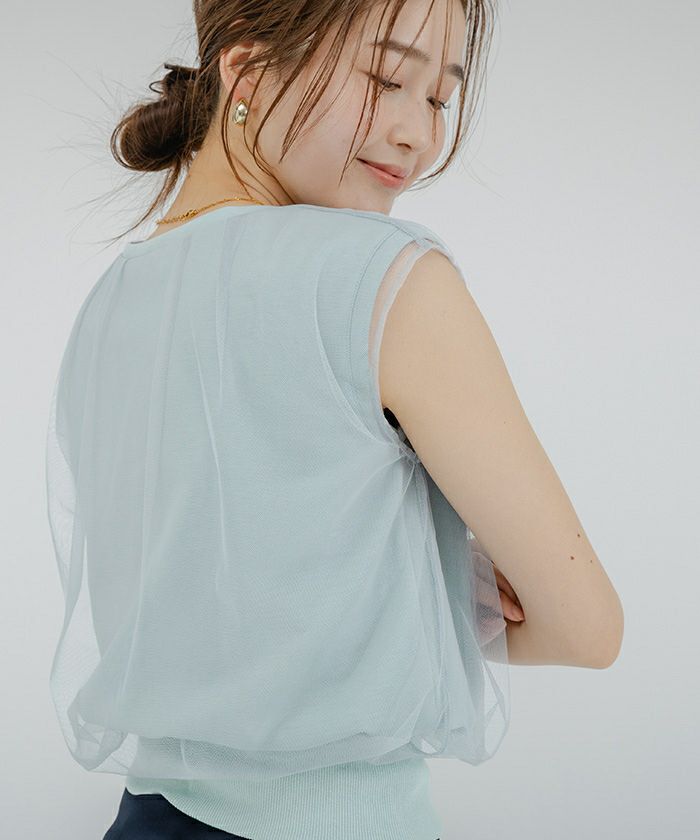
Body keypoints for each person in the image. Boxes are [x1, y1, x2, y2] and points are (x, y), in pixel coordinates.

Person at [45, 0, 624, 838]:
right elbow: (588, 628)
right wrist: (433, 583)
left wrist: (383, 577)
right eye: (387, 78)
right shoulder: (384, 279)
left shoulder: (109, 304)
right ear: (246, 72)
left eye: (439, 97)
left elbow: (202, 599)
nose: (417, 135)